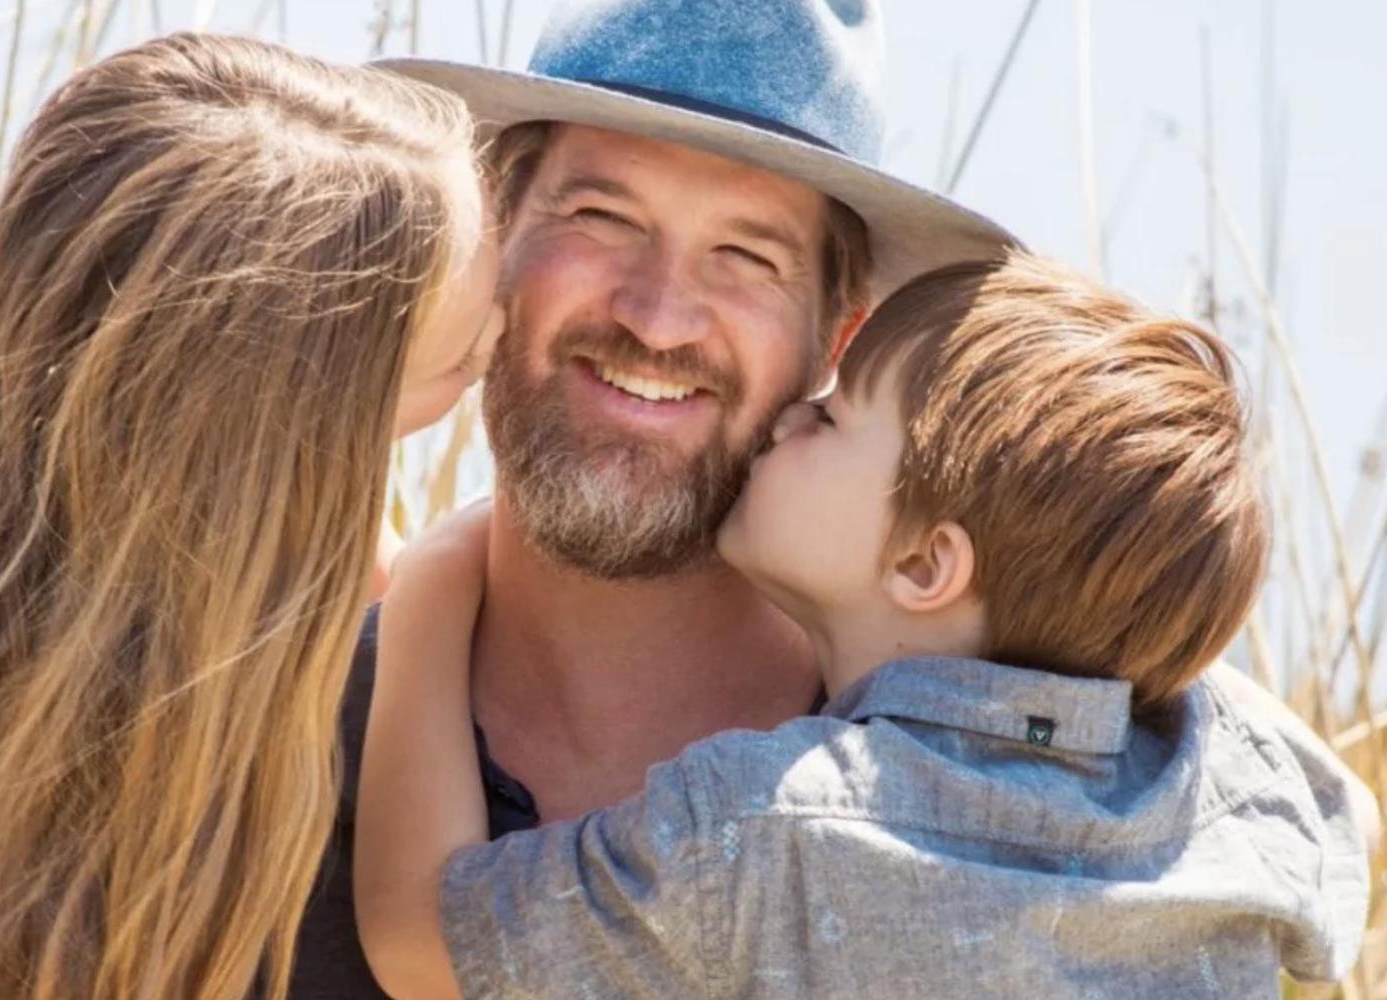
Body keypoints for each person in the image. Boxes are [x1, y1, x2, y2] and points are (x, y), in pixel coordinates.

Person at [293, 1, 1377, 993]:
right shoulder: (254, 735)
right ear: (491, 244)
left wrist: (430, 574)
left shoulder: (1132, 777)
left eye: (746, 256)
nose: (659, 317)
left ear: (839, 337)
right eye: (602, 215)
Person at [356, 252, 1371, 999]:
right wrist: (1113, 626)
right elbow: (1352, 822)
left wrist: (433, 584)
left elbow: (421, 939)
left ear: (924, 565)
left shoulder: (766, 831)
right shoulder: (1230, 790)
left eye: (834, 417)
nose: (791, 415)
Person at [0, 34, 500, 1000]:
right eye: (459, 364)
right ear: (290, 438)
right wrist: (442, 578)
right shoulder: (196, 698)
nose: (495, 350)